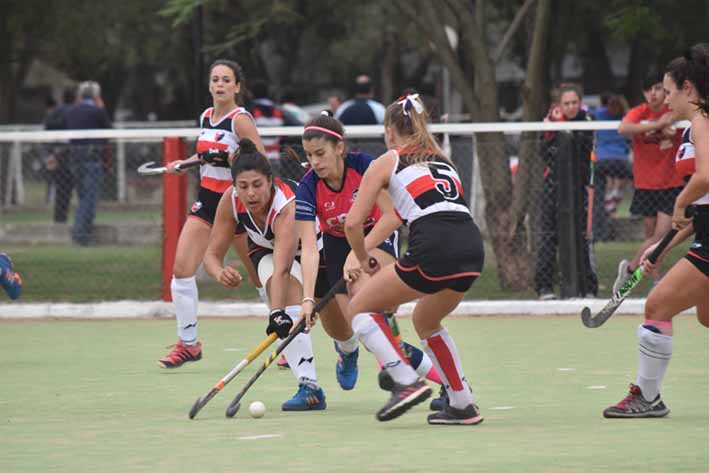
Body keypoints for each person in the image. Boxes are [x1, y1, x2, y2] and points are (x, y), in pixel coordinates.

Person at [339, 94, 484, 425]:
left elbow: (352, 223)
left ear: (390, 131)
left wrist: (361, 258)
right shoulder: (443, 159)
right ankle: (462, 403)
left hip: (435, 246)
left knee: (359, 309)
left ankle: (405, 381)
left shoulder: (387, 161)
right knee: (426, 321)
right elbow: (409, 213)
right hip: (471, 247)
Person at [294, 111, 446, 409]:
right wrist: (308, 299)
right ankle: (351, 352)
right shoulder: (308, 186)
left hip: (375, 236)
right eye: (309, 155)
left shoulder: (364, 166)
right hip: (337, 248)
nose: (314, 162)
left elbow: (392, 217)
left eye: (320, 154)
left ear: (339, 148)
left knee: (366, 303)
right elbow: (310, 248)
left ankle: (428, 384)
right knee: (364, 330)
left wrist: (359, 251)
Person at [603, 43, 709, 418]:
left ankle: (648, 397)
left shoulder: (701, 122)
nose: (665, 99)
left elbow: (705, 178)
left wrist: (679, 202)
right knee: (706, 315)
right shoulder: (694, 126)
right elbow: (701, 208)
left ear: (689, 90)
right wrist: (662, 248)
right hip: (704, 232)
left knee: (658, 305)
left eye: (669, 90)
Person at [158, 59, 266, 369]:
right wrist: (183, 163)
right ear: (210, 85)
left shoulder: (240, 120)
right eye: (215, 79)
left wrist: (230, 158)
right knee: (181, 269)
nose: (219, 84)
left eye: (226, 80)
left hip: (237, 203)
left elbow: (256, 159)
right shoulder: (206, 116)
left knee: (262, 275)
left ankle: (286, 338)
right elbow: (205, 153)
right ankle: (188, 344)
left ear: (237, 86)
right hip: (208, 201)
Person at [203, 138, 325, 410]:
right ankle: (310, 387)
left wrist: (275, 313)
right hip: (267, 252)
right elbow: (211, 255)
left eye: (257, 185)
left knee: (343, 327)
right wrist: (220, 272)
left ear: (270, 181)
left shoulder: (286, 205)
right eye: (243, 186)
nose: (250, 194)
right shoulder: (230, 201)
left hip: (317, 250)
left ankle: (347, 348)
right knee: (281, 289)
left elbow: (285, 265)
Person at [613, 73, 686, 292]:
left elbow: (687, 115)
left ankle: (631, 269)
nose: (653, 94)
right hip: (645, 185)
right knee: (651, 237)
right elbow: (623, 128)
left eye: (657, 88)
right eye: (648, 90)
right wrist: (655, 124)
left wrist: (669, 120)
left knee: (661, 236)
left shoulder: (673, 110)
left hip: (670, 184)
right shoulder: (640, 113)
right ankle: (657, 280)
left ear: (665, 90)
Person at [535, 83, 598, 300]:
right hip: (554, 187)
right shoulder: (550, 123)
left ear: (580, 103)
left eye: (574, 102)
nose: (571, 107)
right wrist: (554, 126)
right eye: (566, 103)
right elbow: (544, 152)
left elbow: (584, 148)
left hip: (579, 188)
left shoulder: (587, 120)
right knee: (549, 237)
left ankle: (587, 286)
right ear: (559, 105)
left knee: (582, 236)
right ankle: (544, 288)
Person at [63, 81, 111, 245]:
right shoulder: (97, 111)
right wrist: (102, 108)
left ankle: (82, 231)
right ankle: (81, 234)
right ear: (96, 96)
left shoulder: (71, 112)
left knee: (83, 196)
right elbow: (107, 131)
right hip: (92, 158)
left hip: (75, 159)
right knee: (89, 199)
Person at [593, 93, 632, 241]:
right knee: (639, 180)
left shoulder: (599, 113)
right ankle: (615, 196)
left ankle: (600, 233)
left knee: (598, 197)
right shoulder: (626, 115)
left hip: (602, 161)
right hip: (618, 160)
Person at [44, 87, 76, 223]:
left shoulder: (54, 112)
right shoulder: (75, 112)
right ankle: (67, 217)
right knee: (71, 186)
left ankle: (59, 218)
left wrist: (50, 153)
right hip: (71, 153)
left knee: (60, 188)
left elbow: (47, 130)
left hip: (56, 152)